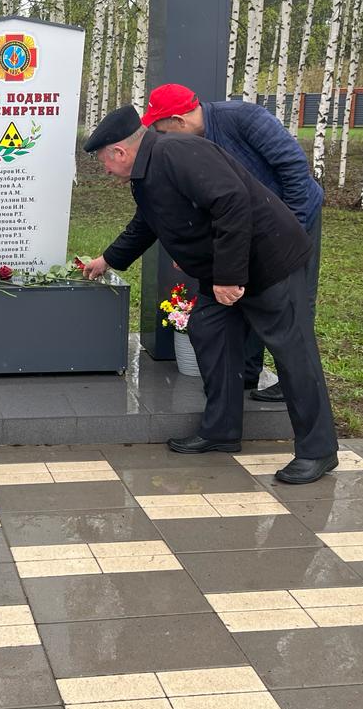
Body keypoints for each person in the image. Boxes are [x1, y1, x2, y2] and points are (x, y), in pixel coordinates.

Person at [82, 105, 338, 484]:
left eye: (104, 161)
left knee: (292, 352)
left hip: (269, 264)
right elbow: (147, 222)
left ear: (120, 152)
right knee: (209, 330)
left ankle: (318, 451)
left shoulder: (178, 153)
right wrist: (108, 259)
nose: (104, 170)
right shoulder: (148, 169)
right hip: (224, 270)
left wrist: (229, 277)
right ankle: (221, 430)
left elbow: (232, 202)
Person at [141, 84, 324, 403]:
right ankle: (247, 371)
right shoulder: (191, 145)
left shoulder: (245, 118)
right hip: (250, 227)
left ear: (179, 121)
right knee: (248, 294)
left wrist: (291, 228)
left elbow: (294, 168)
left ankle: (294, 382)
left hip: (293, 220)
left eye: (162, 129)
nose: (160, 137)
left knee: (292, 303)